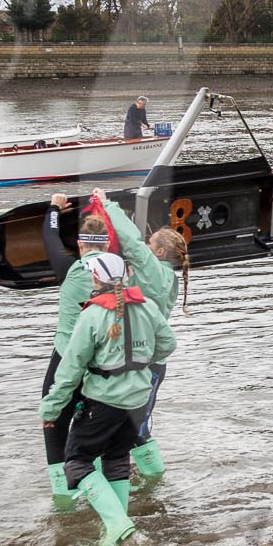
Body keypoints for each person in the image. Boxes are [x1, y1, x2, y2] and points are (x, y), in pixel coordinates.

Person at [39, 250, 175, 546]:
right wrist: (141, 364)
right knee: (116, 460)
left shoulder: (91, 314)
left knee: (77, 462)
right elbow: (168, 344)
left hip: (103, 403)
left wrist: (50, 408)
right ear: (126, 275)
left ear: (95, 278)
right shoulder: (147, 306)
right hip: (137, 401)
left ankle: (118, 525)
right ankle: (115, 534)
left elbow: (70, 368)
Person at [86, 190, 185, 479]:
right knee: (138, 425)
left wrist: (107, 203)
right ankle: (150, 481)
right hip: (153, 363)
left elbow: (130, 238)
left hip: (143, 362)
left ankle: (152, 480)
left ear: (158, 252)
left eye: (150, 242)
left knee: (135, 428)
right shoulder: (170, 276)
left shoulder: (153, 270)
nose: (145, 243)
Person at [38, 200, 111, 502]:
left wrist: (53, 209)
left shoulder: (69, 269)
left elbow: (50, 238)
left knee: (54, 432)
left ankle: (64, 507)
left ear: (80, 245)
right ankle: (99, 496)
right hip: (101, 367)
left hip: (65, 363)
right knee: (87, 438)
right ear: (107, 245)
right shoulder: (118, 275)